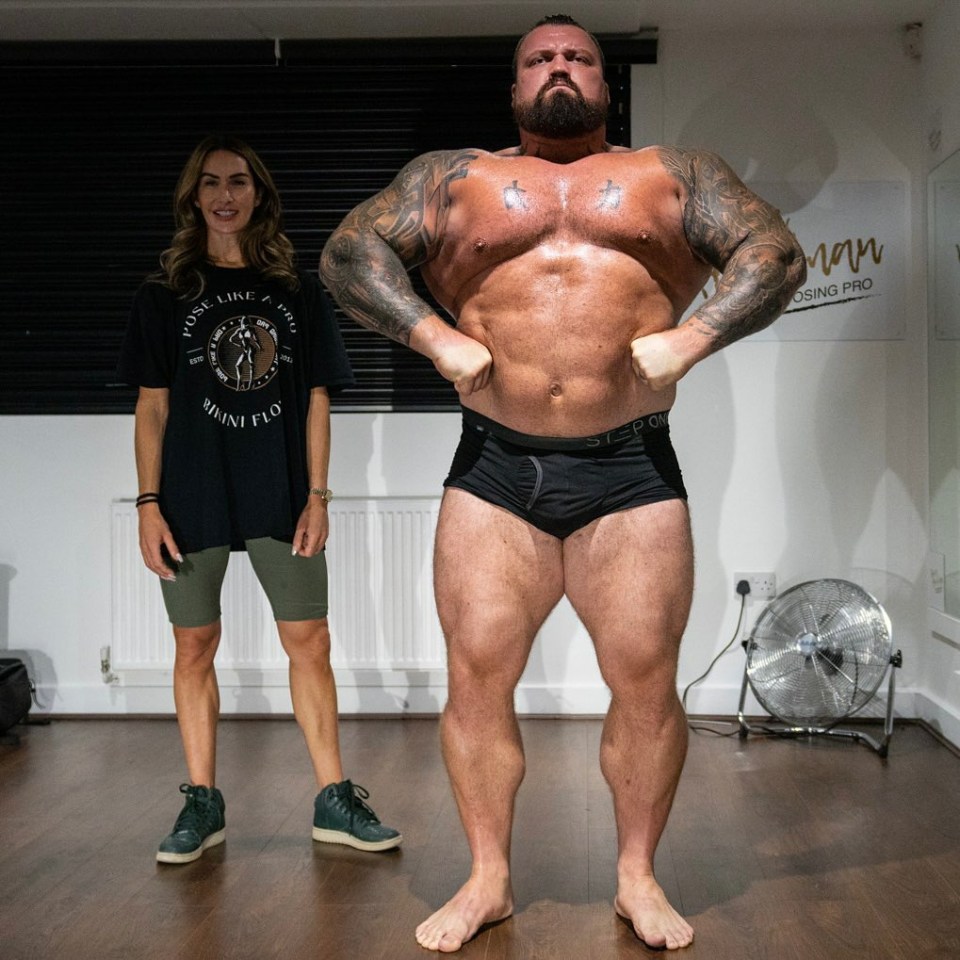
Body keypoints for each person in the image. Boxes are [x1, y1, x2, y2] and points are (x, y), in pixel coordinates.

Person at [320, 14, 805, 952]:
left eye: (577, 57)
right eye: (539, 59)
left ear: (604, 83)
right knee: (475, 682)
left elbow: (773, 252)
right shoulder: (456, 178)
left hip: (630, 467)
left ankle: (636, 877)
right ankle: (489, 879)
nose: (558, 69)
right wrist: (433, 335)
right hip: (495, 469)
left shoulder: (676, 174)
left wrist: (694, 337)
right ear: (513, 89)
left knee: (646, 685)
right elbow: (349, 253)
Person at [118, 134, 401, 865]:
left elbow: (315, 400)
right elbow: (152, 408)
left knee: (309, 642)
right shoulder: (162, 295)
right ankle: (202, 803)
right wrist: (147, 503)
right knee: (194, 645)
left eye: (238, 182)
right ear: (193, 198)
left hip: (280, 492)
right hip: (190, 494)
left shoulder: (298, 293)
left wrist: (318, 495)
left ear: (259, 195)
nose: (224, 195)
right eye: (210, 182)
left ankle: (334, 799)